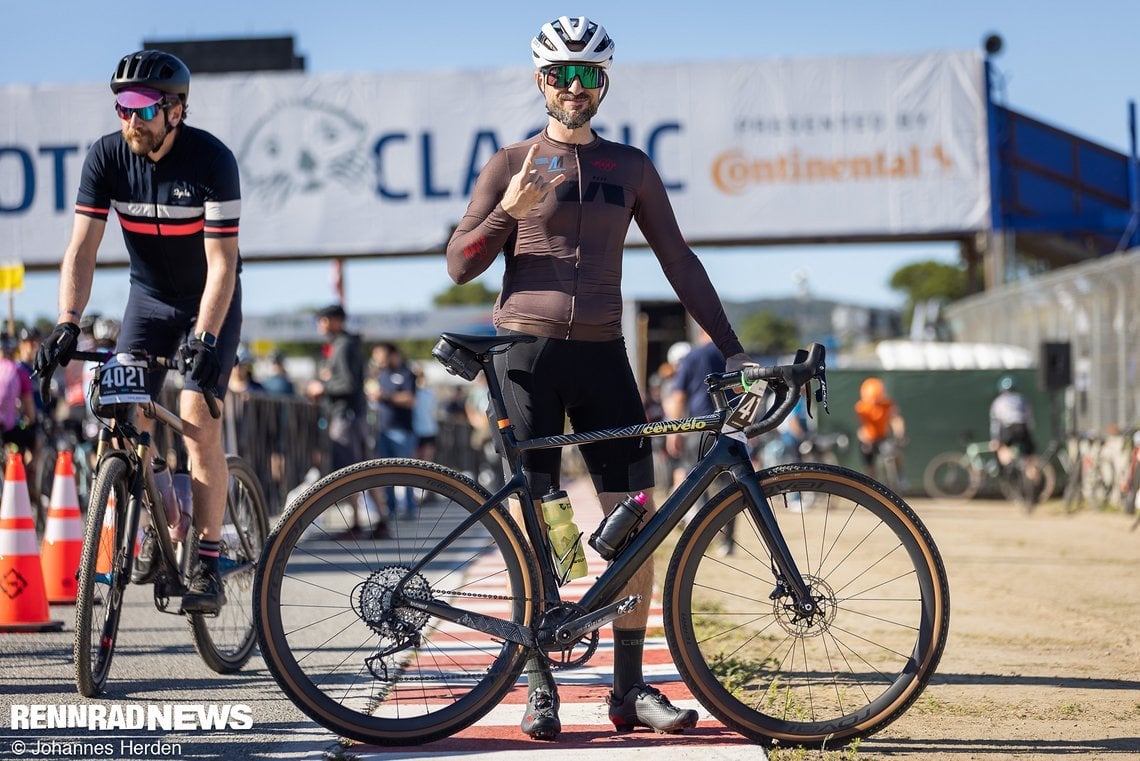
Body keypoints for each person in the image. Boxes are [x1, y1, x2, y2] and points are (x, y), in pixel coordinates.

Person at [445, 15, 750, 742]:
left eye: (586, 75)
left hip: (605, 356)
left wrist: (732, 349)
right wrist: (510, 213)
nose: (573, 87)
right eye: (560, 74)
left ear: (603, 83)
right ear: (539, 79)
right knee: (540, 525)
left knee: (636, 518)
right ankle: (539, 681)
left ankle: (628, 688)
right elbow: (459, 262)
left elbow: (679, 260)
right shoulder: (510, 160)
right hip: (526, 356)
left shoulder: (630, 166)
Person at [33, 50, 241, 615]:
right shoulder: (105, 157)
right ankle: (149, 517)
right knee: (126, 410)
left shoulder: (211, 159)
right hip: (147, 300)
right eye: (123, 106)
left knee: (198, 417)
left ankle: (208, 556)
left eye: (145, 107)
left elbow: (223, 261)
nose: (131, 119)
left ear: (176, 110)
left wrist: (206, 337)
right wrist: (67, 323)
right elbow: (82, 250)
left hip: (208, 300)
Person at [305, 304, 384, 537]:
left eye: (323, 319)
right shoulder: (343, 344)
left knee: (350, 471)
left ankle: (362, 523)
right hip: (351, 415)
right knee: (363, 469)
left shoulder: (344, 345)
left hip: (347, 416)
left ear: (336, 320)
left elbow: (348, 384)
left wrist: (323, 387)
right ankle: (375, 521)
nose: (320, 324)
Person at [370, 342, 418, 518]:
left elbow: (410, 399)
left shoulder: (406, 373)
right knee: (386, 473)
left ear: (391, 354)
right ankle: (390, 509)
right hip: (383, 430)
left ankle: (409, 508)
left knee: (406, 472)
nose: (377, 359)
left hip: (402, 431)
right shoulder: (381, 374)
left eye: (380, 354)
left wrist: (386, 396)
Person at [854, 377, 906, 482]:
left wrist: (899, 434)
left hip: (882, 437)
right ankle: (870, 485)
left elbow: (896, 420)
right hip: (868, 439)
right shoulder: (861, 407)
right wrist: (865, 439)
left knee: (896, 454)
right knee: (869, 467)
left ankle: (900, 478)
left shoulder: (888, 404)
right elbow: (861, 428)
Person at [989, 375, 1039, 482]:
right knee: (1030, 457)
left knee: (1002, 449)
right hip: (1023, 428)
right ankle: (1034, 482)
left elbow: (996, 423)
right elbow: (1029, 418)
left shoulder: (998, 402)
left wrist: (995, 440)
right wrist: (1030, 436)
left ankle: (1009, 467)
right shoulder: (1022, 399)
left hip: (1008, 429)